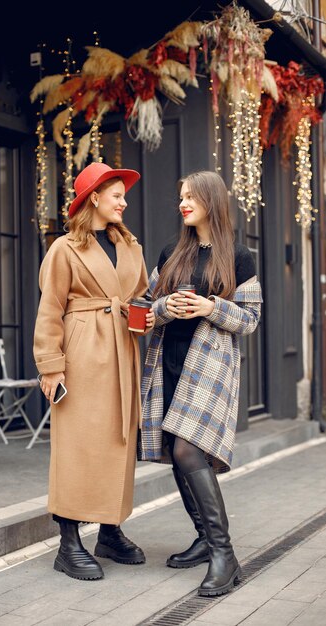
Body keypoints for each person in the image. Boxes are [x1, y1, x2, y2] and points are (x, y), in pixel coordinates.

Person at [139, 170, 262, 597]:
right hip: (168, 362)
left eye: (191, 196)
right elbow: (146, 307)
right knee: (177, 451)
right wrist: (166, 305)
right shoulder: (171, 251)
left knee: (189, 449)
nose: (183, 203)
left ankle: (224, 556)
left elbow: (250, 318)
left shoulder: (239, 256)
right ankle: (205, 538)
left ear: (212, 199)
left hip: (209, 368)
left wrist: (211, 306)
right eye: (181, 196)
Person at [33, 162, 154, 581]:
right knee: (78, 443)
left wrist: (146, 315)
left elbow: (139, 295)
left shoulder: (131, 247)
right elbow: (49, 309)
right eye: (117, 194)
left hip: (123, 349)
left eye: (124, 195)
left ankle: (110, 531)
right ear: (94, 198)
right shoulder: (64, 249)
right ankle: (69, 543)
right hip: (82, 350)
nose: (124, 201)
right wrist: (51, 368)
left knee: (118, 441)